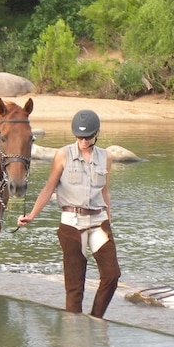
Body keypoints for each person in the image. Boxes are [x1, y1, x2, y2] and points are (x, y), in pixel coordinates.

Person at [16, 109, 121, 318]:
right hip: (71, 222)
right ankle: (72, 332)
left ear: (96, 134)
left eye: (87, 136)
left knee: (112, 275)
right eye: (79, 136)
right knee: (75, 285)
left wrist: (109, 220)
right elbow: (48, 188)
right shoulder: (63, 155)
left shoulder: (106, 157)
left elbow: (105, 192)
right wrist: (32, 215)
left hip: (98, 221)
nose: (83, 140)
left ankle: (95, 319)